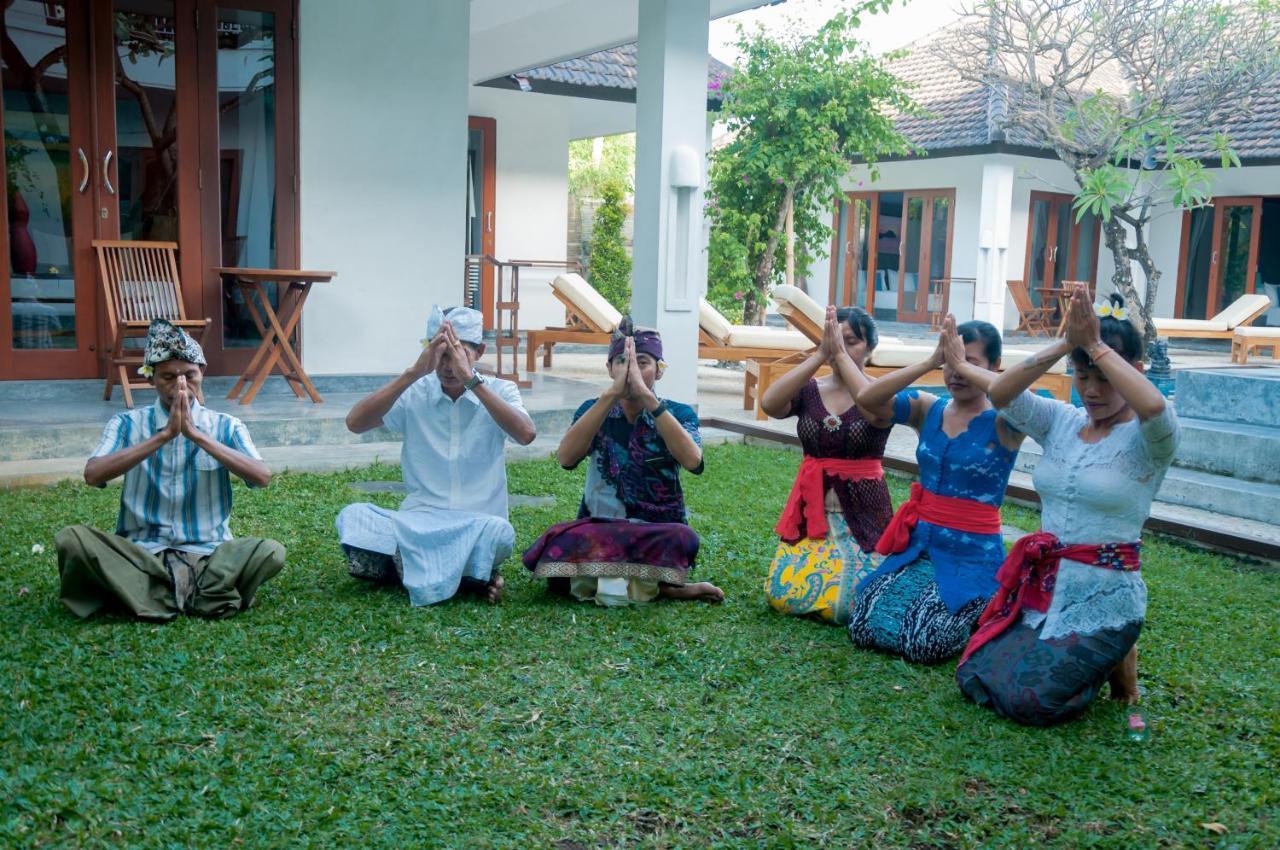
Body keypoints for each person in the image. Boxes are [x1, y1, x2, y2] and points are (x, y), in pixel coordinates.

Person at [955, 287, 1178, 726]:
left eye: (1104, 378)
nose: (1091, 390)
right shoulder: (1061, 420)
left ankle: (1117, 653)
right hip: (1044, 589)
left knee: (1030, 702)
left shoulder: (1152, 437)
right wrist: (1067, 342)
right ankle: (1105, 657)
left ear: (1133, 371)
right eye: (1081, 376)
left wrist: (1095, 345)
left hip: (1106, 595)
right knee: (974, 675)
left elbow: (1151, 403)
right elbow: (1002, 393)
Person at [54, 319, 284, 621]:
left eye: (190, 374)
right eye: (168, 377)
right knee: (72, 539)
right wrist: (163, 436)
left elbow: (261, 477)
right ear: (151, 380)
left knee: (271, 551)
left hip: (209, 555)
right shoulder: (126, 424)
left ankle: (151, 596)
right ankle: (196, 597)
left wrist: (197, 436)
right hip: (141, 555)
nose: (181, 385)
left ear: (202, 373)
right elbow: (93, 474)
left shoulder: (226, 426)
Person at [844, 316, 1027, 663]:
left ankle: (983, 607)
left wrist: (961, 365)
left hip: (972, 556)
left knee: (924, 643)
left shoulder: (1009, 421)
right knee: (863, 623)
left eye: (969, 363)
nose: (956, 372)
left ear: (994, 367)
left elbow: (1016, 393)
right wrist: (931, 361)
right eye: (951, 363)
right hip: (920, 545)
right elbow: (869, 398)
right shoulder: (930, 408)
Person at [337, 306, 536, 606]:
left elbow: (525, 434)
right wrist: (413, 372)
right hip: (419, 524)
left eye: (457, 354)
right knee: (353, 518)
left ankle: (411, 571)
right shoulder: (416, 390)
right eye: (441, 355)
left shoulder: (500, 390)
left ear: (479, 352)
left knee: (501, 534)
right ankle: (467, 577)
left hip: (477, 525)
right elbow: (355, 423)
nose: (448, 366)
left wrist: (473, 382)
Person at [522, 320, 724, 606]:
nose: (631, 371)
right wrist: (610, 395)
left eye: (642, 363)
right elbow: (566, 458)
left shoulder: (678, 413)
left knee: (684, 538)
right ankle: (661, 587)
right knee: (558, 538)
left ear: (659, 370)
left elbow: (693, 461)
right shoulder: (592, 410)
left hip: (656, 530)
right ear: (609, 369)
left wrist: (647, 398)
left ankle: (609, 579)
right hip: (601, 527)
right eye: (622, 362)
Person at [761, 304, 893, 624]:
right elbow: (769, 404)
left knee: (851, 603)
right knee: (781, 594)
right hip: (813, 519)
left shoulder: (880, 392)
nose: (840, 347)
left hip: (864, 521)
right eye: (834, 339)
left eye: (851, 341)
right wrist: (820, 355)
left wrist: (843, 359)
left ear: (871, 348)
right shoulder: (810, 390)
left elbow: (877, 412)